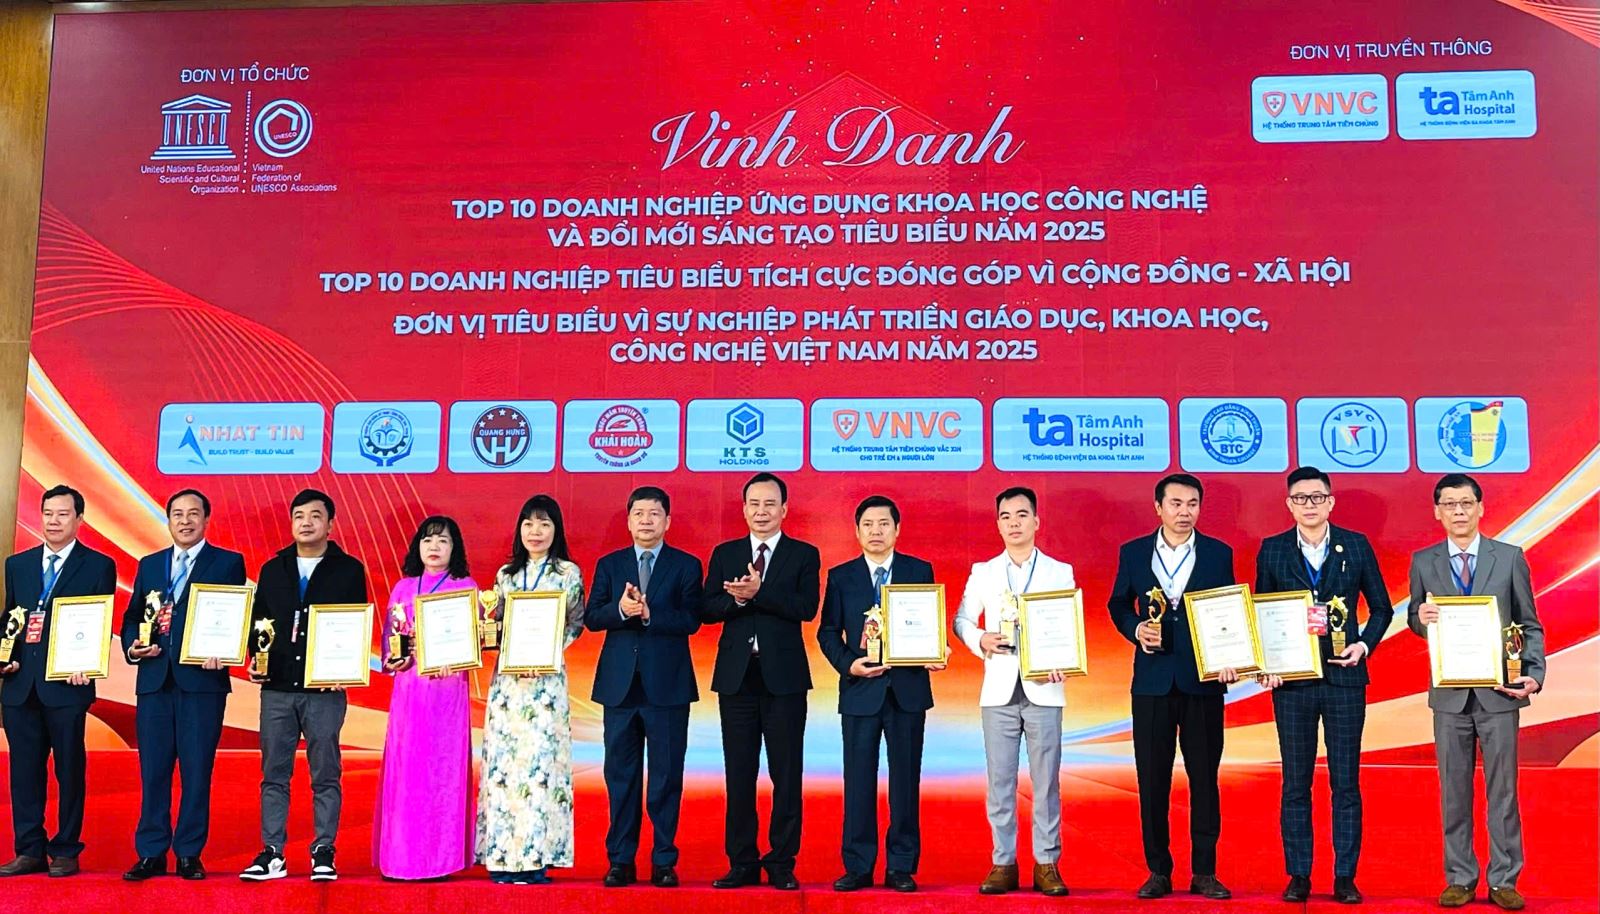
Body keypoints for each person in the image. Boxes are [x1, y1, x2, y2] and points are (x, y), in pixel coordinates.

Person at [1253, 467, 1392, 904]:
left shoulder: (1356, 544)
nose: (1309, 505)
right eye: (1300, 498)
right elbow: (1262, 613)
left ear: (1331, 502)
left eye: (1317, 497)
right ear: (1289, 504)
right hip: (1293, 682)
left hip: (1345, 679)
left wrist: (1363, 645)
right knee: (1295, 782)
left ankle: (1345, 876)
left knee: (1345, 781)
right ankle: (1298, 874)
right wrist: (1267, 664)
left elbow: (1383, 608)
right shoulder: (1273, 549)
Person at [1408, 473, 1545, 912]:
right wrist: (1420, 617)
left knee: (1503, 791)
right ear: (1437, 512)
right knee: (1453, 791)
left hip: (1499, 693)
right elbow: (1415, 617)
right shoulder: (1423, 561)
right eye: (1450, 504)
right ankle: (1460, 878)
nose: (1459, 511)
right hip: (1449, 696)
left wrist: (1534, 672)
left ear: (1481, 508)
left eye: (1466, 503)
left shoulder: (1509, 558)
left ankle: (1504, 879)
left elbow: (1529, 622)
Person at [1107, 473, 1236, 900]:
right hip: (1152, 683)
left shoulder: (1218, 553)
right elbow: (1118, 603)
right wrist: (1135, 628)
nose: (1185, 512)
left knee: (1205, 779)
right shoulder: (1134, 552)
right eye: (1176, 504)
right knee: (1152, 779)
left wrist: (1231, 657)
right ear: (1158, 507)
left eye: (1192, 504)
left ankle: (1205, 872)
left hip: (1203, 681)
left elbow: (1228, 611)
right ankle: (1158, 871)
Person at [239, 488, 369, 883]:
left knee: (325, 773)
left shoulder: (348, 570)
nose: (306, 523)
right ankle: (272, 853)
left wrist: (344, 668)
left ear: (331, 525)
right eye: (299, 516)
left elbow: (354, 626)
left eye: (315, 516)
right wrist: (255, 659)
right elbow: (258, 623)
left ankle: (324, 850)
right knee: (274, 773)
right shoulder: (273, 569)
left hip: (324, 691)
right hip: (277, 688)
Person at [818, 495, 945, 893]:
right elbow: (827, 632)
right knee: (858, 781)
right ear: (857, 531)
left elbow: (931, 624)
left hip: (908, 691)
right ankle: (858, 866)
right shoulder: (841, 576)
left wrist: (936, 649)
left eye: (884, 524)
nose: (876, 531)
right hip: (860, 690)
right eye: (868, 524)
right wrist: (848, 664)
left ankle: (901, 866)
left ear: (897, 529)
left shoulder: (918, 570)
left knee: (905, 781)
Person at [120, 489, 248, 881]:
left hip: (202, 683)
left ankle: (189, 853)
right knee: (153, 771)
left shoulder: (227, 562)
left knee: (196, 771)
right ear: (169, 520)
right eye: (177, 514)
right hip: (154, 681)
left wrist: (223, 650)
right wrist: (133, 646)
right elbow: (131, 618)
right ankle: (151, 853)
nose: (185, 521)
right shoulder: (150, 564)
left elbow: (233, 614)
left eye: (193, 513)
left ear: (206, 519)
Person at [701, 472, 821, 891]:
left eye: (770, 503)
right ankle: (742, 862)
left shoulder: (803, 554)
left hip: (784, 680)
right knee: (739, 774)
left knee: (786, 774)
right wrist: (737, 599)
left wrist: (760, 592)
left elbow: (806, 607)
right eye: (754, 503)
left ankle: (782, 862)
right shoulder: (726, 553)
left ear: (784, 509)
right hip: (737, 679)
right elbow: (706, 609)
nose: (762, 511)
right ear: (744, 508)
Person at [952, 486, 1074, 897]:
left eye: (1022, 515)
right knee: (1000, 782)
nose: (1014, 523)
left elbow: (1067, 624)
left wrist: (1064, 656)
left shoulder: (1060, 571)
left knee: (1046, 781)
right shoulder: (983, 571)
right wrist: (980, 639)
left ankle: (1046, 863)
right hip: (999, 691)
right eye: (1006, 516)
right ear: (998, 524)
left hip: (1045, 688)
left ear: (1036, 521)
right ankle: (1003, 862)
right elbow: (962, 620)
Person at [584, 486, 703, 888]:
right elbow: (593, 617)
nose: (646, 520)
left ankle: (664, 860)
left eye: (654, 514)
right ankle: (620, 859)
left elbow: (692, 619)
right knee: (621, 777)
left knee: (666, 777)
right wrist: (621, 610)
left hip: (667, 687)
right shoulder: (610, 564)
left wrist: (652, 615)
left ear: (667, 521)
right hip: (619, 687)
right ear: (629, 520)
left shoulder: (686, 565)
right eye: (639, 513)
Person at [0, 485, 117, 878]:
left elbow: (98, 622)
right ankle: (29, 849)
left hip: (68, 684)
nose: (53, 521)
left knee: (69, 769)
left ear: (79, 519)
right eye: (48, 513)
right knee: (23, 772)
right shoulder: (18, 564)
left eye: (63, 514)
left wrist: (87, 663)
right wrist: (3, 658)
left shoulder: (98, 565)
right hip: (20, 686)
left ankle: (66, 849)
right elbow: (11, 620)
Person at [476, 494, 586, 885]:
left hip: (546, 683)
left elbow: (575, 624)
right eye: (528, 523)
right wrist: (490, 634)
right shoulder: (506, 576)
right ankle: (502, 857)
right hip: (508, 684)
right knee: (504, 768)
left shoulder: (568, 574)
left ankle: (537, 857)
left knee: (542, 767)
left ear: (556, 530)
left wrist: (546, 654)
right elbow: (497, 625)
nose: (535, 531)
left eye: (543, 523)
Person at [373, 515, 477, 880]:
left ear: (454, 548)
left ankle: (439, 860)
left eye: (443, 541)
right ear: (417, 546)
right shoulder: (403, 587)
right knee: (407, 772)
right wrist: (397, 657)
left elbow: (473, 640)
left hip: (447, 694)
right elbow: (390, 643)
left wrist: (456, 657)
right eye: (428, 540)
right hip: (410, 692)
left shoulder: (466, 586)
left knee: (442, 772)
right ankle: (400, 859)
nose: (435, 547)